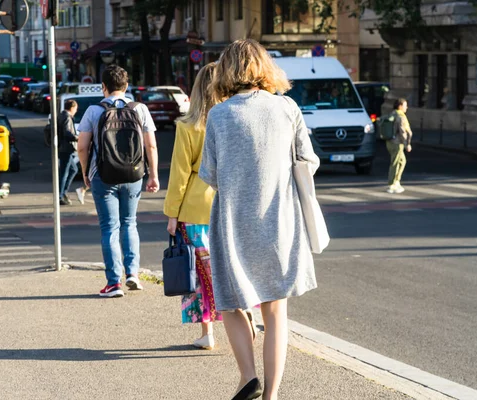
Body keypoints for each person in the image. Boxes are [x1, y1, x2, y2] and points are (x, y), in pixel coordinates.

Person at [199, 39, 319, 400]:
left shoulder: (219, 114)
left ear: (226, 70)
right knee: (276, 309)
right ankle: (272, 395)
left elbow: (211, 174)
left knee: (232, 302)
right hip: (280, 220)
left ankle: (248, 376)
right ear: (264, 67)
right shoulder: (287, 107)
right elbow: (308, 161)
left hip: (233, 222)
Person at [77, 65, 159, 298]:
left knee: (109, 228)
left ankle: (114, 283)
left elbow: (82, 146)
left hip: (103, 176)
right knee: (129, 223)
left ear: (103, 87)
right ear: (126, 86)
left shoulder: (94, 111)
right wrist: (153, 174)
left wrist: (85, 172)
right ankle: (133, 273)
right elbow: (151, 145)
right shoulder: (140, 109)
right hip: (134, 175)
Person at [163, 63, 224, 350]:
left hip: (195, 208)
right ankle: (245, 320)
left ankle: (208, 333)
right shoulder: (231, 122)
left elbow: (179, 173)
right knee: (229, 271)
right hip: (228, 206)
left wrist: (172, 214)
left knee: (200, 275)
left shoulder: (187, 126)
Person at [386, 98, 412, 194]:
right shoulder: (400, 116)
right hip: (396, 143)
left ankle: (396, 181)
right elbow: (402, 132)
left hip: (390, 142)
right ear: (400, 106)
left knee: (402, 161)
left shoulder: (392, 113)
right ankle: (392, 184)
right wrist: (407, 144)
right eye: (405, 105)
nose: (407, 107)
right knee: (396, 163)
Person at [57, 99, 79, 205]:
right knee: (64, 173)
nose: (76, 111)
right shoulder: (66, 117)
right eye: (76, 108)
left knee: (73, 169)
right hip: (66, 148)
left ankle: (63, 193)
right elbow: (66, 132)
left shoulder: (62, 115)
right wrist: (76, 138)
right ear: (72, 107)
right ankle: (60, 195)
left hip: (64, 148)